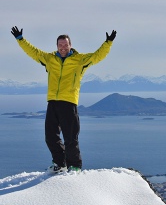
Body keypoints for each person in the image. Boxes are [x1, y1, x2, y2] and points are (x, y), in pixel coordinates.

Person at [11, 26, 117, 173]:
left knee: (70, 137)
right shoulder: (49, 59)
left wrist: (108, 43)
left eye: (65, 45)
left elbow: (97, 56)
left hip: (69, 102)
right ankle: (60, 163)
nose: (63, 48)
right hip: (53, 102)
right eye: (60, 45)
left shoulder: (79, 60)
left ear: (70, 45)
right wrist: (20, 39)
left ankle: (75, 166)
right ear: (57, 46)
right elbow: (34, 52)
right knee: (50, 136)